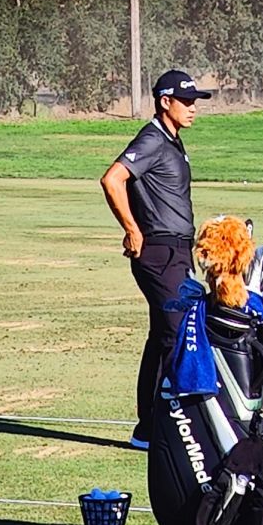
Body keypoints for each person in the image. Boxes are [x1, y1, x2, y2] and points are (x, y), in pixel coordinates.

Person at [100, 69, 212, 450]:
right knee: (175, 332)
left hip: (176, 252)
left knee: (164, 335)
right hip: (159, 252)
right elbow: (112, 179)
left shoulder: (173, 140)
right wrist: (132, 228)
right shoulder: (152, 138)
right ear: (165, 102)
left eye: (195, 101)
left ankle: (148, 427)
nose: (193, 108)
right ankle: (155, 429)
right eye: (187, 101)